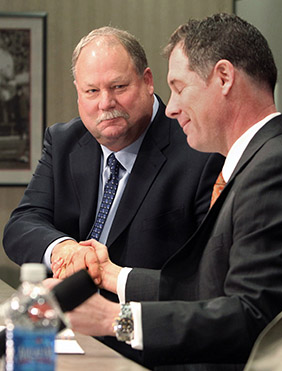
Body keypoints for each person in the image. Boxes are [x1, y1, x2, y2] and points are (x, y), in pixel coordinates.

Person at [47, 13, 282, 371]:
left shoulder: (278, 166)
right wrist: (111, 274)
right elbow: (206, 288)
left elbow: (251, 316)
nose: (173, 107)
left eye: (179, 88)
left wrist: (115, 320)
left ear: (224, 78)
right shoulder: (257, 162)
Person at [3, 28, 223, 289]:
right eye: (92, 91)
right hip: (66, 316)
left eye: (118, 87)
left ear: (148, 81)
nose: (106, 102)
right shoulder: (64, 141)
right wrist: (64, 250)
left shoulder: (199, 150)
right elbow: (22, 224)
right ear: (78, 92)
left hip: (139, 320)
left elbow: (206, 277)